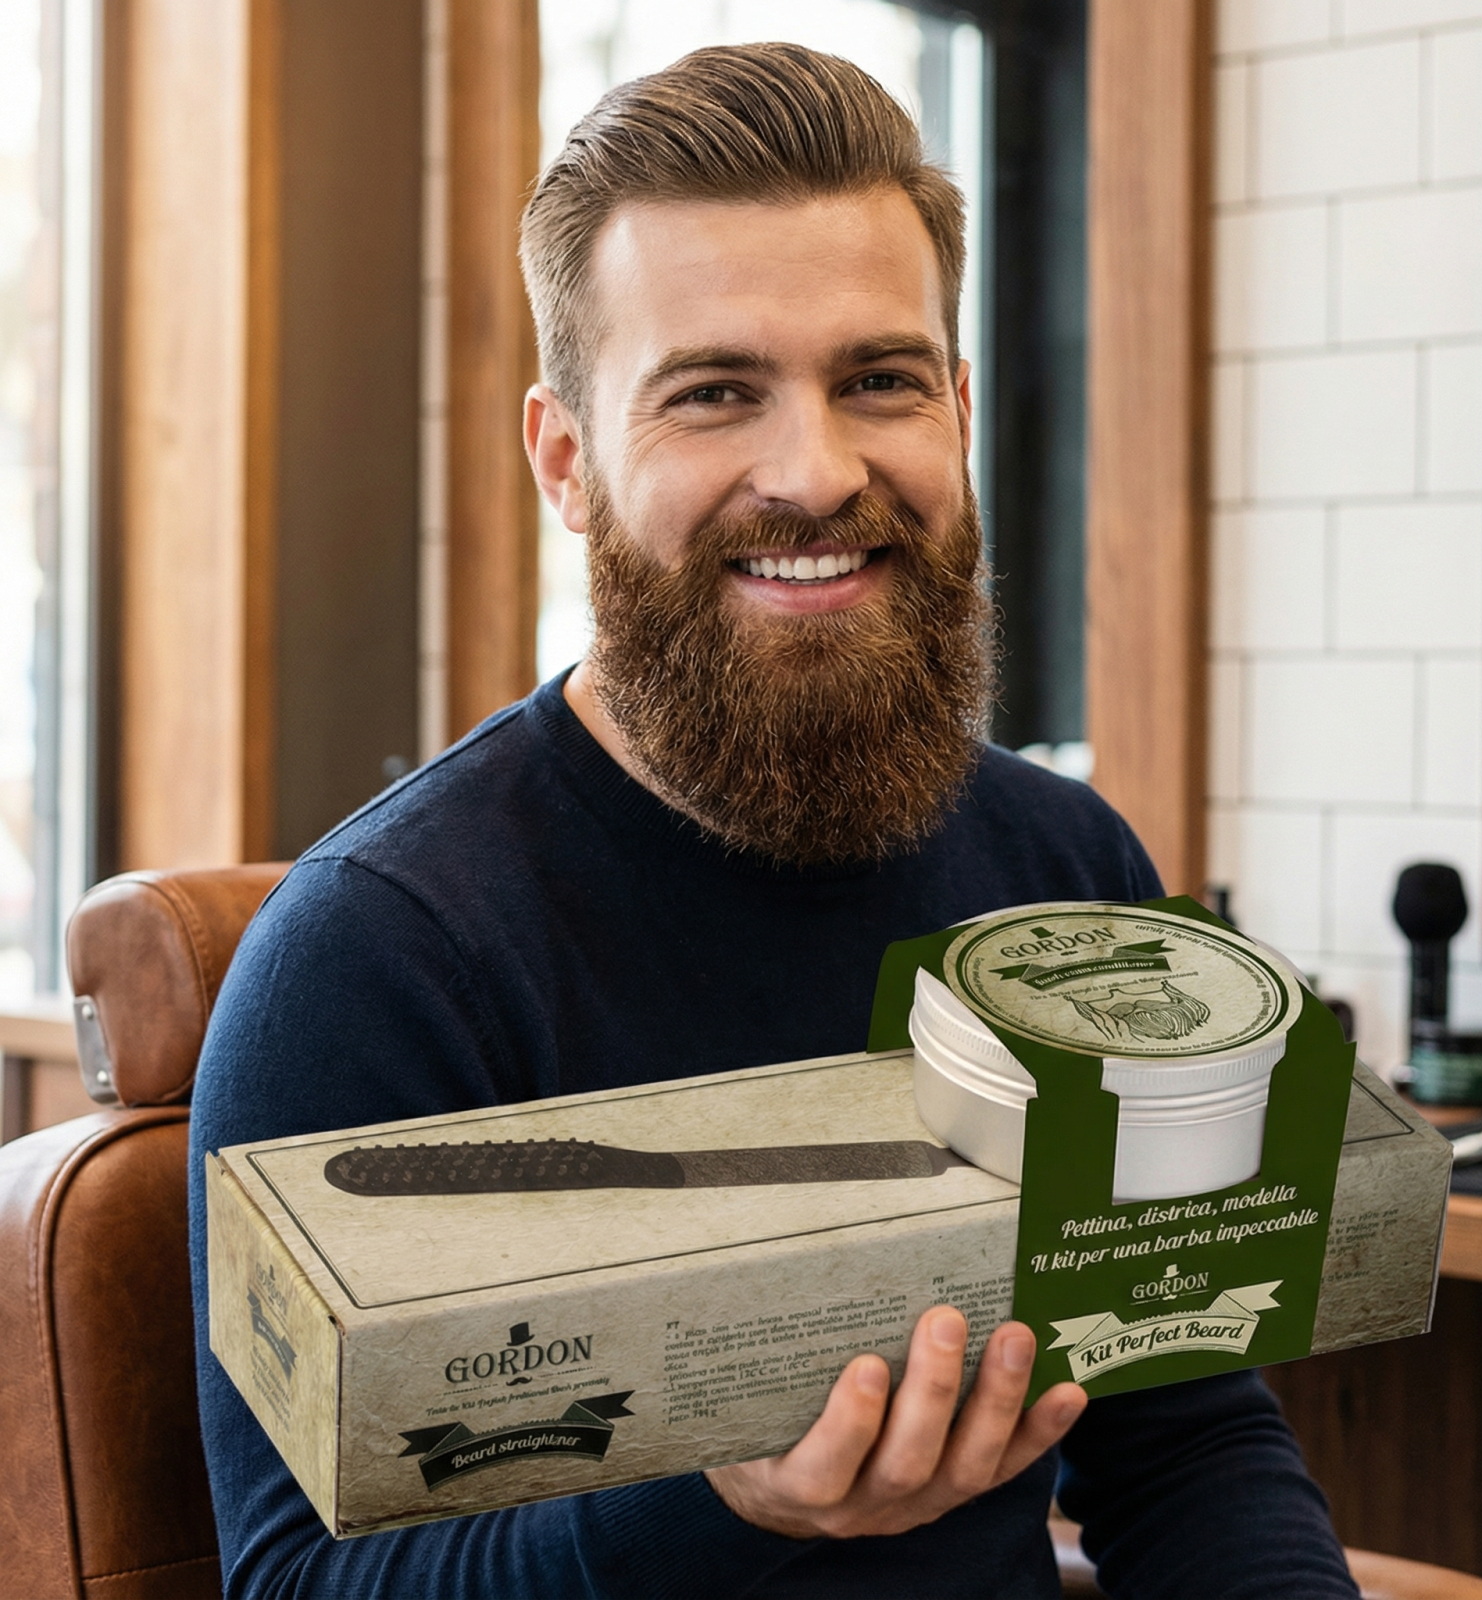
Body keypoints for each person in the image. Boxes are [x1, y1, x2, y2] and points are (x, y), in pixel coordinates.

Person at [188, 43, 1359, 1599]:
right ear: (568, 463)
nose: (813, 472)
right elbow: (301, 1584)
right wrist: (726, 1506)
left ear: (957, 410)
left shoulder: (1067, 878)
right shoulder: (380, 956)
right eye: (714, 394)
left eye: (878, 381)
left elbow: (1189, 1445)